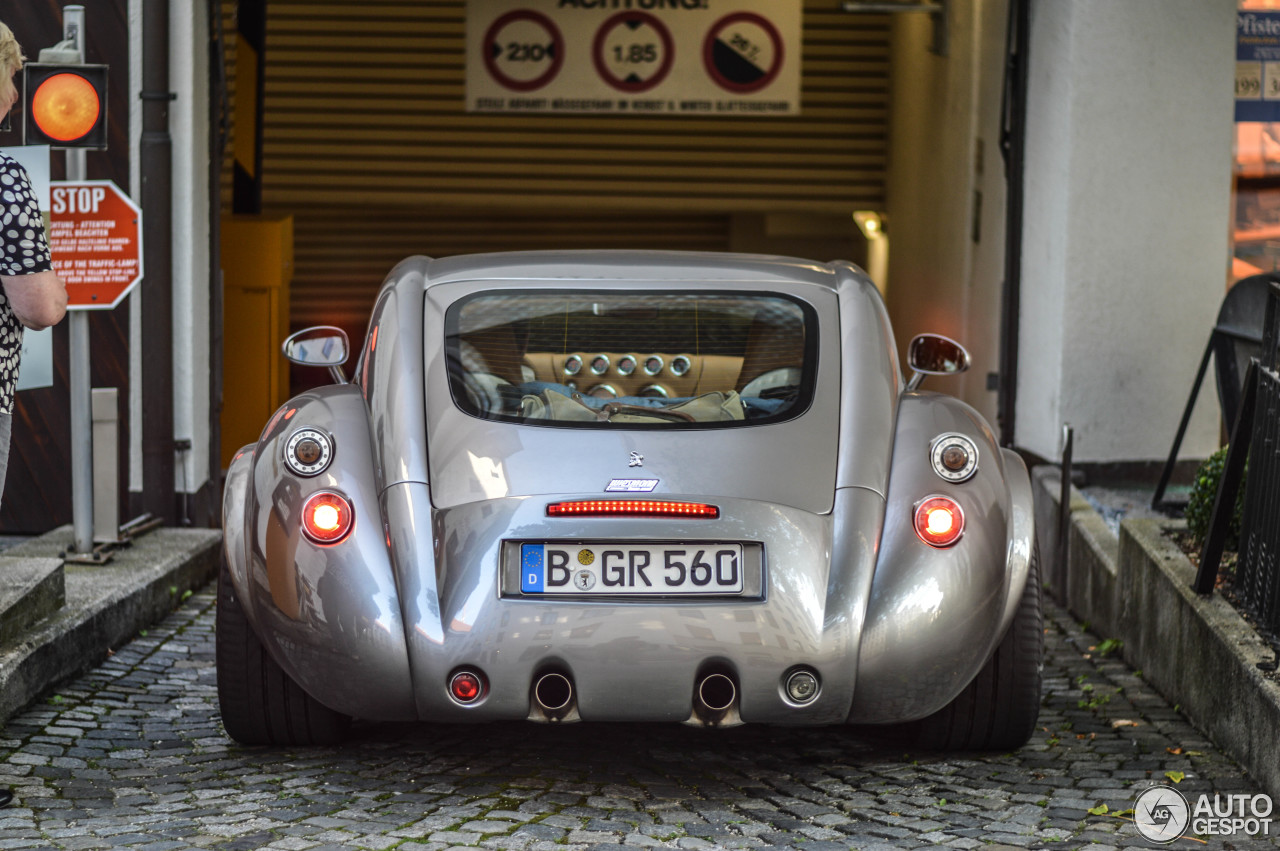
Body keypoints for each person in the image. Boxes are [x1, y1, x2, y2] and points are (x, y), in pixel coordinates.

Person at [0, 20, 69, 502]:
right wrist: (58, 289)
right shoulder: (5, 180)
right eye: (9, 78)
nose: (15, 96)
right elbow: (39, 307)